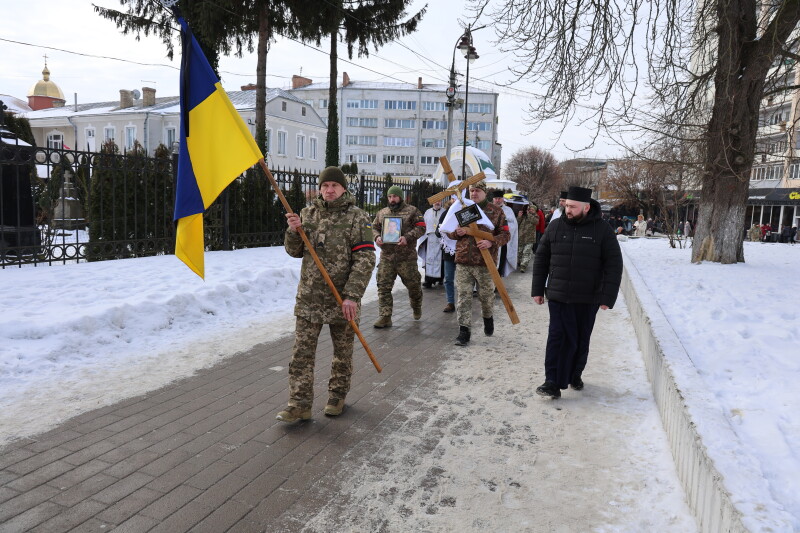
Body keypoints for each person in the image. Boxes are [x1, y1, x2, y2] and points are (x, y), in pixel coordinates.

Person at [277, 166, 376, 423]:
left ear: (343, 188)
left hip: (341, 299)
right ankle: (299, 404)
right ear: (319, 189)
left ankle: (336, 395)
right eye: (325, 186)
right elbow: (294, 251)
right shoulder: (307, 213)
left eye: (334, 185)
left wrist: (352, 296)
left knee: (342, 353)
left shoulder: (358, 217)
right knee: (301, 354)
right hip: (310, 297)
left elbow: (365, 258)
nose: (329, 190)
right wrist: (293, 230)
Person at [531, 186, 623, 399]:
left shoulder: (602, 230)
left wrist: (607, 297)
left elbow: (613, 265)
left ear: (586, 207)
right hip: (558, 294)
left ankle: (575, 374)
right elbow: (542, 259)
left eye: (573, 207)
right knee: (557, 336)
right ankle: (551, 381)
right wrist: (537, 289)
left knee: (580, 339)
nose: (568, 210)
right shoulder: (555, 227)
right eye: (566, 206)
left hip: (587, 297)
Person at [443, 180, 510, 346]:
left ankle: (488, 317)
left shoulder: (496, 212)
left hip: (485, 263)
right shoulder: (462, 208)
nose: (473, 194)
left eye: (477, 191)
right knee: (464, 296)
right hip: (463, 261)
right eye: (471, 191)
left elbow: (506, 235)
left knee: (486, 297)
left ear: (485, 193)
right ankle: (464, 331)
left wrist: (491, 242)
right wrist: (457, 233)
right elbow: (449, 233)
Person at [372, 185, 426, 328]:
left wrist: (407, 237)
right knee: (383, 286)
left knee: (413, 286)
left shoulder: (412, 211)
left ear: (400, 197)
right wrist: (377, 237)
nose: (392, 199)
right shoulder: (382, 213)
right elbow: (374, 227)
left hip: (406, 258)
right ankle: (385, 316)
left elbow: (421, 227)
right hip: (387, 257)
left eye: (394, 196)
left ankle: (416, 305)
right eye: (390, 197)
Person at [436, 200, 457, 312]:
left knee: (464, 280)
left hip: (463, 250)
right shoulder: (445, 214)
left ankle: (463, 302)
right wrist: (444, 231)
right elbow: (437, 232)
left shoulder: (465, 212)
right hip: (449, 251)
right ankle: (450, 302)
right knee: (448, 278)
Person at [491, 190, 519, 276]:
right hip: (490, 241)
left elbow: (513, 225)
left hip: (502, 243)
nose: (497, 200)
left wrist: (502, 229)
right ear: (493, 199)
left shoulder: (508, 210)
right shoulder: (488, 209)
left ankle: (497, 284)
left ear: (503, 199)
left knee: (501, 262)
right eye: (496, 198)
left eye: (499, 198)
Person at [418, 200, 445, 288]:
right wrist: (422, 240)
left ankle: (440, 279)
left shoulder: (444, 212)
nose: (437, 203)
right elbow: (424, 226)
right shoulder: (427, 212)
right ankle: (428, 281)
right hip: (429, 239)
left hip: (440, 239)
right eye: (435, 201)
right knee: (429, 259)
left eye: (439, 201)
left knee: (440, 260)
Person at [517, 203, 539, 273]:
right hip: (521, 236)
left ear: (535, 211)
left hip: (530, 238)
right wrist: (519, 216)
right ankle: (519, 262)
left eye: (532, 210)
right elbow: (517, 223)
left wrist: (529, 214)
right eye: (530, 209)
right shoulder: (523, 216)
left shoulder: (535, 216)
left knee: (526, 252)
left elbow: (535, 222)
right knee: (519, 252)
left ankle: (523, 266)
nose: (531, 210)